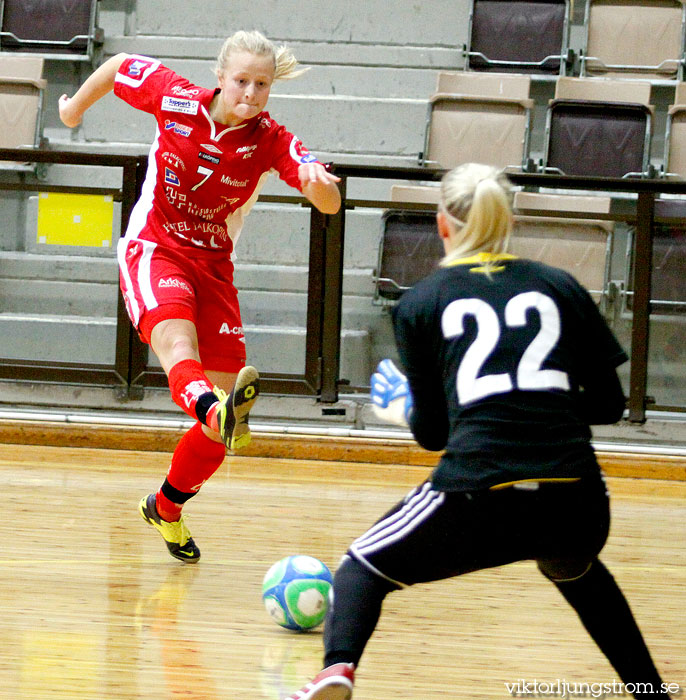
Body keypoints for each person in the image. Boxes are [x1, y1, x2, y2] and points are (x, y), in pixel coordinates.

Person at [287, 163, 672, 700]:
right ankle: (652, 693)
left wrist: (402, 409)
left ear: (443, 225)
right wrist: (544, 410)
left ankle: (335, 671)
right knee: (575, 568)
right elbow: (609, 404)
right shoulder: (560, 285)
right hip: (578, 501)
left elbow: (434, 436)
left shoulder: (421, 302)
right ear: (509, 218)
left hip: (479, 492)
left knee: (360, 568)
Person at [59, 31, 341, 564]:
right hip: (156, 247)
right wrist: (72, 110)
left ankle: (165, 506)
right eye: (241, 81)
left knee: (226, 415)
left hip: (213, 266)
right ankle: (213, 411)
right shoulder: (175, 98)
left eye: (262, 84)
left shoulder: (271, 139)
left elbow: (329, 202)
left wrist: (315, 180)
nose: (251, 93)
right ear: (220, 77)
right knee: (177, 345)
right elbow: (119, 65)